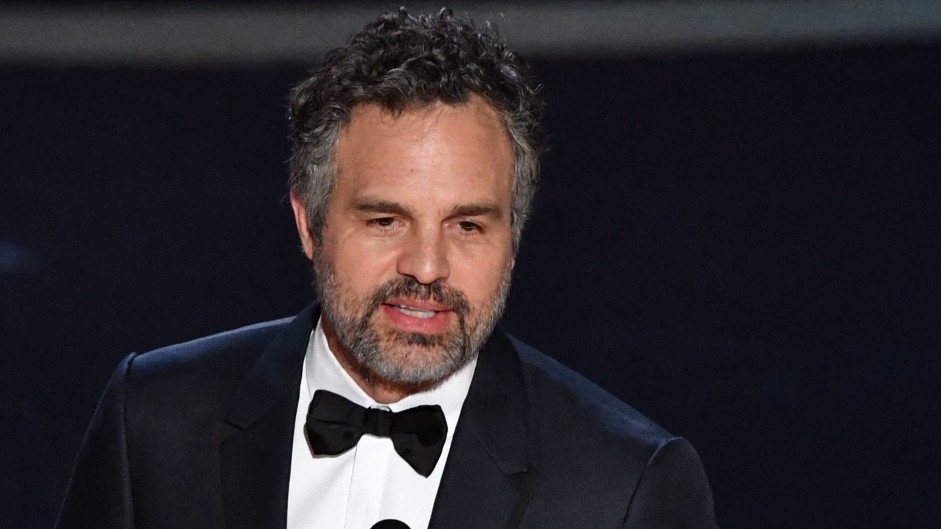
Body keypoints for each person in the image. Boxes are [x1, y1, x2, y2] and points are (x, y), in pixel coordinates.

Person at [57, 8, 716, 529]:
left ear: (513, 238)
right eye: (385, 220)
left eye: (467, 225)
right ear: (309, 224)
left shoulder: (623, 485)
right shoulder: (154, 422)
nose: (427, 266)